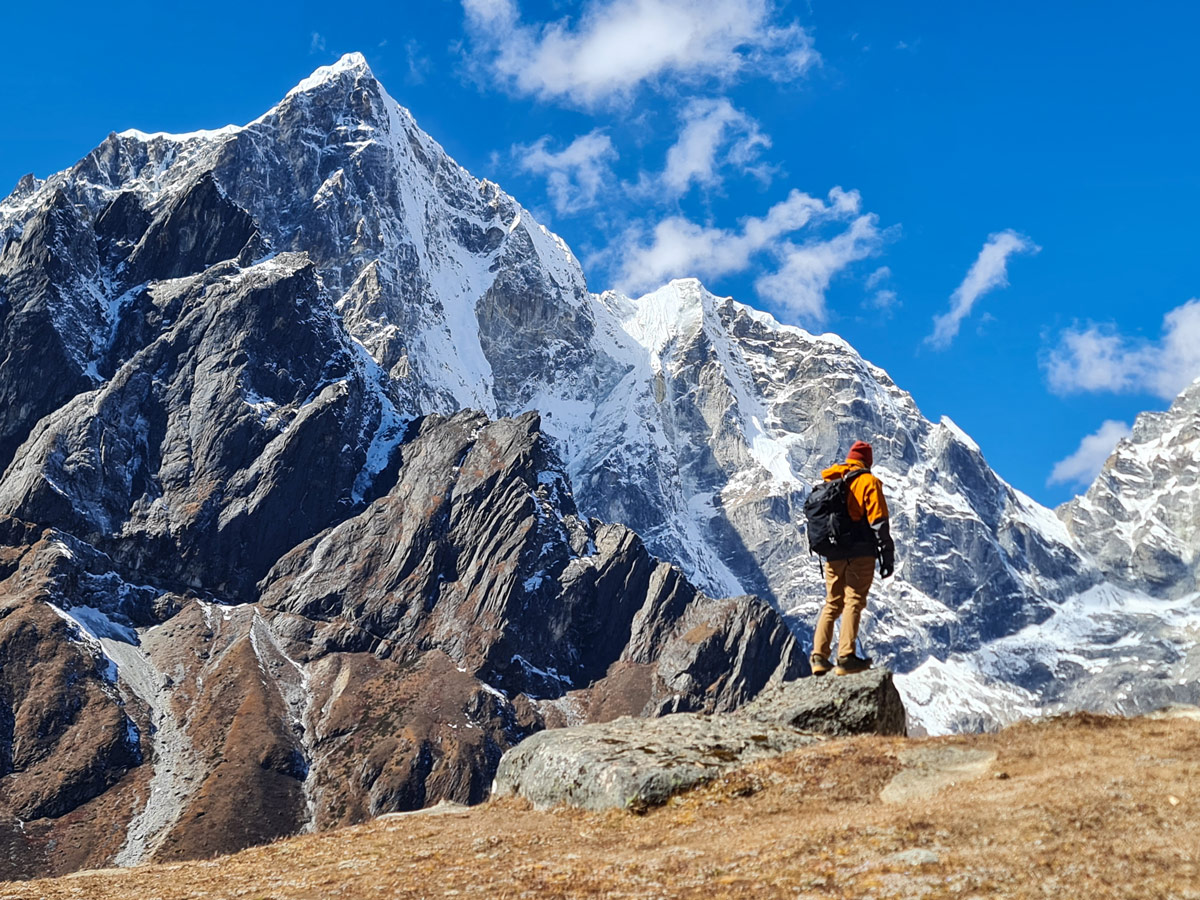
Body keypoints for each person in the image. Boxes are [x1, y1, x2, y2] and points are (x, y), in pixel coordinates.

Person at [810, 440, 896, 676]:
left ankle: (819, 657)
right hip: (860, 552)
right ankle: (846, 657)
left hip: (833, 553)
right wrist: (886, 554)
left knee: (832, 603)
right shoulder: (868, 481)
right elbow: (878, 520)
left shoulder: (832, 480)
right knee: (854, 601)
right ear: (867, 461)